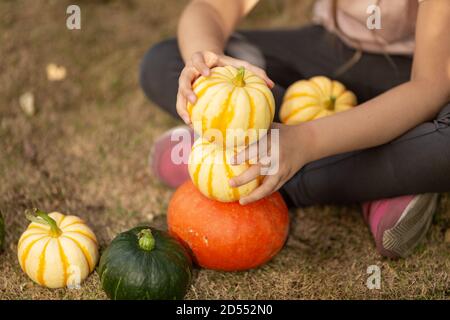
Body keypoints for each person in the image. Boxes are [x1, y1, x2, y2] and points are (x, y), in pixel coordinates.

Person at [140, 0, 450, 258]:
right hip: (332, 49)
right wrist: (208, 66)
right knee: (163, 60)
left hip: (421, 72)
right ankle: (374, 172)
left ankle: (234, 160)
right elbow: (214, 6)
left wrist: (306, 140)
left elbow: (429, 86)